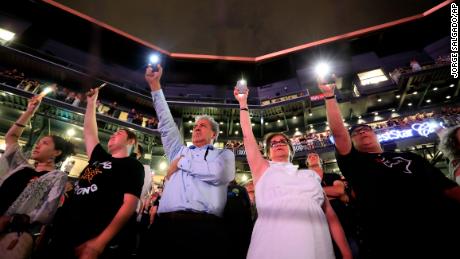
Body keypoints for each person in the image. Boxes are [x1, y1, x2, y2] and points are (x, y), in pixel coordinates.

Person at [319, 80, 460, 258]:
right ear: (352, 141)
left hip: (440, 233)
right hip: (390, 242)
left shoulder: (412, 157)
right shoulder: (355, 163)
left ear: (375, 134)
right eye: (355, 132)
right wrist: (329, 96)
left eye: (366, 129)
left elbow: (447, 187)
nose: (362, 132)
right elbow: (339, 133)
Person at [234, 88, 351, 259]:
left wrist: (347, 254)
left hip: (317, 243)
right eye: (273, 143)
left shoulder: (310, 176)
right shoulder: (263, 169)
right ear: (267, 152)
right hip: (273, 243)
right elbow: (247, 136)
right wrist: (243, 103)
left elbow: (331, 218)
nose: (279, 144)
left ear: (291, 150)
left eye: (283, 141)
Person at [142, 64, 235, 259]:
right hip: (165, 225)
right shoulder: (179, 150)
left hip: (204, 228)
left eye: (203, 126)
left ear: (214, 134)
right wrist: (155, 85)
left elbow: (219, 174)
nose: (197, 128)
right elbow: (166, 124)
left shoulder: (224, 155)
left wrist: (180, 164)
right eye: (195, 125)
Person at [43, 87, 145, 259]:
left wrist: (100, 242)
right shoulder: (99, 156)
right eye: (113, 133)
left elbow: (129, 205)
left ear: (131, 142)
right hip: (65, 231)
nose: (113, 135)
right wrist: (91, 103)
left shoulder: (133, 165)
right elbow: (90, 132)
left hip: (91, 236)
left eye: (119, 133)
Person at [0, 95, 74, 234]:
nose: (37, 146)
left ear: (57, 152)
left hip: (10, 233)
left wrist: (9, 220)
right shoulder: (22, 166)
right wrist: (29, 112)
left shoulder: (57, 177)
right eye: (38, 143)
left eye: (44, 143)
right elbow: (11, 137)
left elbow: (46, 212)